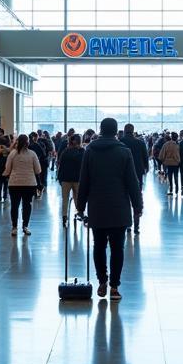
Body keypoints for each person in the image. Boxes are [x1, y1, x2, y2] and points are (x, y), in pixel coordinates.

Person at [77, 118, 143, 301]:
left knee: (98, 246)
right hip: (119, 207)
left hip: (97, 207)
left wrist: (80, 207)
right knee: (117, 248)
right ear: (116, 131)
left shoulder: (90, 150)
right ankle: (114, 286)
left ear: (100, 129)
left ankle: (102, 281)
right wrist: (137, 205)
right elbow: (132, 181)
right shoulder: (124, 152)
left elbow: (84, 181)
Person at [4, 134, 41, 237]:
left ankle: (14, 227)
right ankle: (25, 226)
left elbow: (7, 169)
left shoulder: (12, 154)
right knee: (27, 205)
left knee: (14, 206)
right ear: (28, 143)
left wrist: (5, 174)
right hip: (29, 184)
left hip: (14, 183)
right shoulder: (33, 154)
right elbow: (38, 170)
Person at [57, 133, 84, 227]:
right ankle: (79, 213)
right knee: (77, 198)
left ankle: (64, 218)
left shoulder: (65, 152)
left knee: (65, 199)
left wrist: (59, 178)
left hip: (65, 179)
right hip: (78, 179)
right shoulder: (82, 152)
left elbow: (60, 165)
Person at [120, 123, 149, 196]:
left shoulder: (120, 142)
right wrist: (146, 166)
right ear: (133, 131)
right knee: (138, 187)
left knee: (124, 187)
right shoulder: (140, 142)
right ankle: (137, 202)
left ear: (124, 130)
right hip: (138, 167)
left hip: (123, 168)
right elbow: (145, 156)